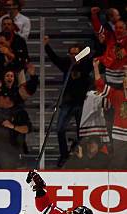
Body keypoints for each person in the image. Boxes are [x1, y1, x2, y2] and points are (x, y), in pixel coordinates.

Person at [44, 37, 93, 167]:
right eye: (71, 53)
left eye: (76, 53)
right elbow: (55, 59)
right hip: (67, 102)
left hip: (82, 103)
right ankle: (64, 155)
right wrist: (46, 46)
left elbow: (92, 57)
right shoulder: (67, 63)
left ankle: (82, 157)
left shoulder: (86, 65)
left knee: (81, 132)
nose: (73, 56)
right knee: (60, 129)